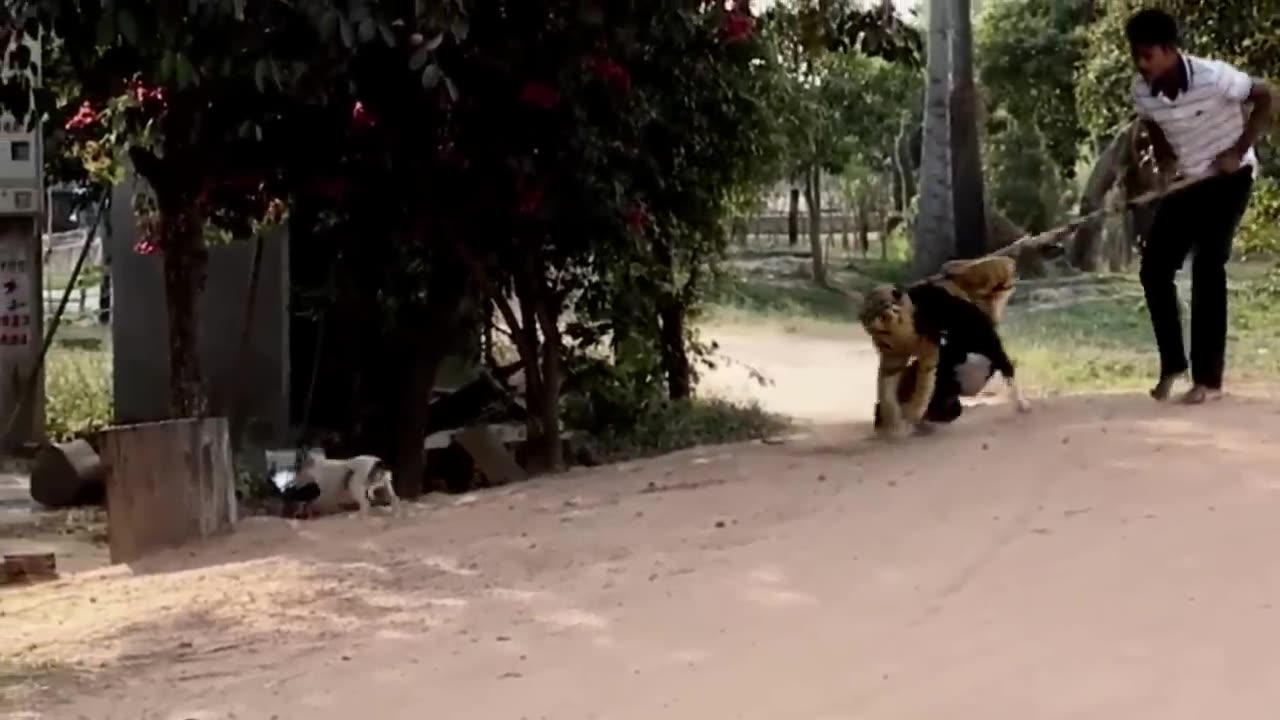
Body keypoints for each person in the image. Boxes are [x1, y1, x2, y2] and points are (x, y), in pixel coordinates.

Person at [1125, 8, 1273, 404]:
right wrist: (1162, 173)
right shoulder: (1143, 93)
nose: (1142, 64)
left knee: (1208, 263)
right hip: (1188, 180)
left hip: (1230, 177)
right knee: (1154, 269)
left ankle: (1209, 381)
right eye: (1136, 56)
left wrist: (1237, 149)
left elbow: (1266, 96)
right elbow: (1157, 132)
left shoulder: (1214, 78)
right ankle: (1173, 363)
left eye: (1148, 55)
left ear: (1170, 50)